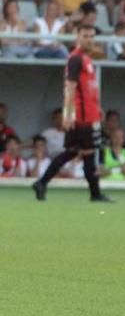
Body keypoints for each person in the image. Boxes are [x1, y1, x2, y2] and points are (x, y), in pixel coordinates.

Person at [31, 24, 112, 203]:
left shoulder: (85, 59)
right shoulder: (76, 59)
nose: (89, 40)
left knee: (72, 152)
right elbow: (70, 87)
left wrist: (97, 107)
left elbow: (88, 88)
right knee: (88, 153)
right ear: (77, 37)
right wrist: (68, 114)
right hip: (82, 117)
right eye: (85, 36)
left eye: (92, 36)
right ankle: (95, 193)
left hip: (89, 112)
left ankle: (42, 183)